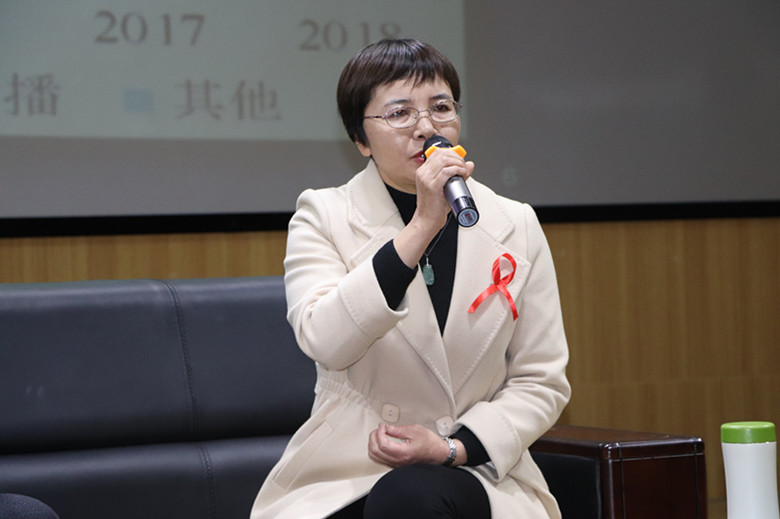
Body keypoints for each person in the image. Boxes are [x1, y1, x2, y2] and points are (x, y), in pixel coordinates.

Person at [251, 39, 570, 519]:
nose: (426, 127)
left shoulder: (514, 223)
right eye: (400, 113)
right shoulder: (324, 215)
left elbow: (541, 380)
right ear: (361, 139)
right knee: (401, 498)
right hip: (348, 470)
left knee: (413, 497)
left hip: (475, 469)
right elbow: (325, 340)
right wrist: (422, 225)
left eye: (441, 107)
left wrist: (451, 448)